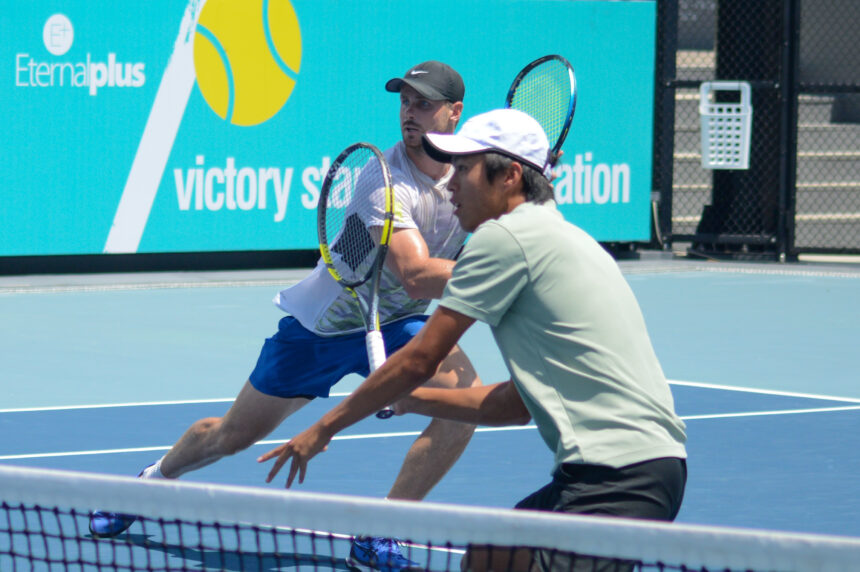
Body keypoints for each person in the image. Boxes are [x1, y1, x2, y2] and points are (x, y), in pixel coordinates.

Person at [90, 61, 482, 571]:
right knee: (232, 435)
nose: (410, 113)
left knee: (465, 405)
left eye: (423, 103)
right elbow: (415, 274)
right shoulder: (381, 179)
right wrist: (504, 270)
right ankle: (152, 483)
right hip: (322, 327)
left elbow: (509, 211)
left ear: (455, 113)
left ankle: (382, 529)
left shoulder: (473, 173)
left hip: (399, 326)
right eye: (405, 102)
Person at [258, 108, 688, 572]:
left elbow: (421, 358)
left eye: (464, 169)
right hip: (643, 468)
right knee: (488, 558)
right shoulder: (567, 238)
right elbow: (512, 406)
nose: (450, 184)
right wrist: (413, 402)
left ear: (510, 176)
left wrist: (324, 428)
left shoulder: (504, 239)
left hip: (616, 481)